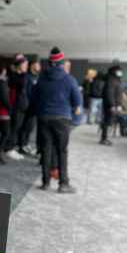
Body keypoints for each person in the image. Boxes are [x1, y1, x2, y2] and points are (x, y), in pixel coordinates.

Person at [30, 47, 82, 193]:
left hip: (44, 118)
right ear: (61, 62)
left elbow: (33, 98)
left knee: (46, 150)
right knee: (62, 151)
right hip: (62, 118)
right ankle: (63, 184)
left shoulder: (41, 78)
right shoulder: (69, 79)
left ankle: (45, 182)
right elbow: (77, 101)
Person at [3, 54, 29, 160]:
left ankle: (11, 147)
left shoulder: (20, 75)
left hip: (21, 107)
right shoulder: (14, 76)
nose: (26, 66)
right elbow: (21, 85)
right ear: (19, 65)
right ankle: (9, 149)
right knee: (14, 128)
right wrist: (22, 73)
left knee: (17, 128)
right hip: (15, 107)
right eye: (25, 64)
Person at [18, 58, 41, 155]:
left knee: (30, 127)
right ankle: (22, 145)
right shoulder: (27, 77)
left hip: (35, 106)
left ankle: (26, 143)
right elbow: (26, 92)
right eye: (37, 65)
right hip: (28, 105)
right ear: (32, 66)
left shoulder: (38, 77)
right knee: (25, 126)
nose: (39, 67)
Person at [100, 63, 124, 146]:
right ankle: (104, 138)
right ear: (115, 71)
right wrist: (112, 105)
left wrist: (119, 104)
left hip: (114, 105)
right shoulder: (111, 80)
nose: (121, 72)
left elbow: (117, 93)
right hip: (111, 105)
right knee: (108, 122)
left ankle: (106, 138)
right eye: (119, 71)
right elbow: (109, 93)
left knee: (109, 121)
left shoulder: (115, 79)